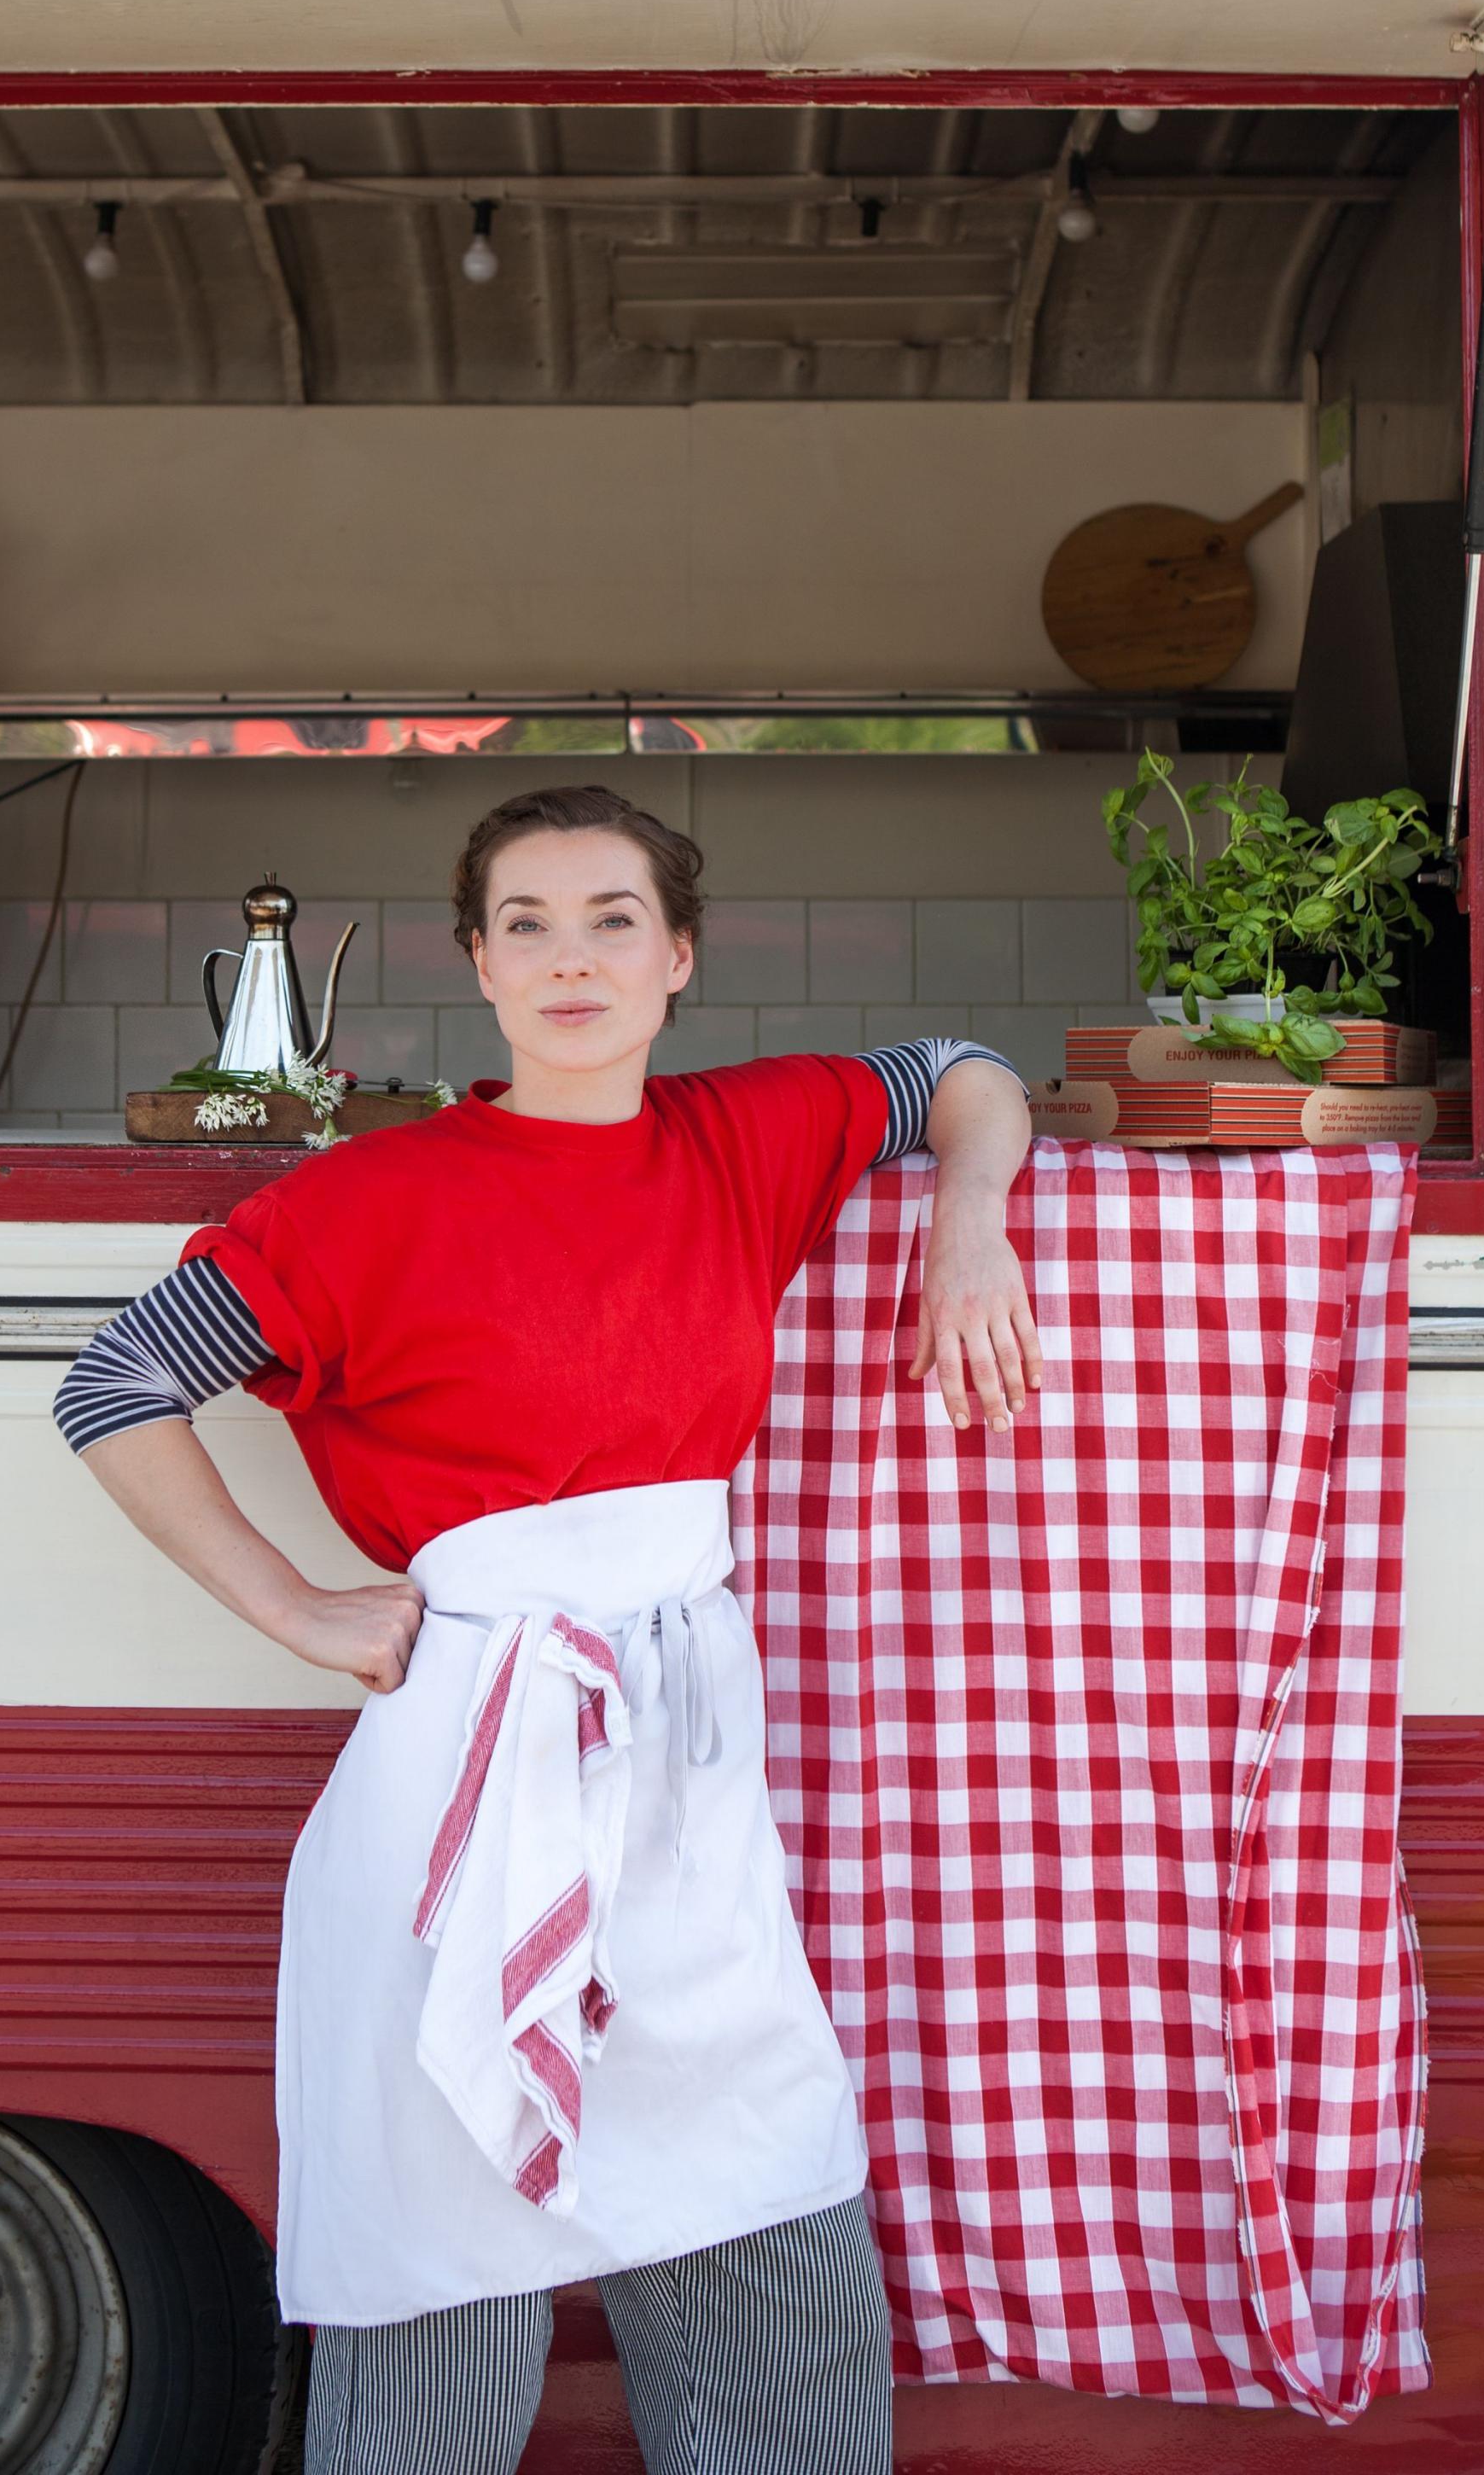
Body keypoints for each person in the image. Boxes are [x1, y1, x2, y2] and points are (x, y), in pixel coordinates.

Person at [55, 785, 1040, 2475]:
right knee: (452, 2251)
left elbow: (962, 1071)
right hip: (469, 1772)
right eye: (526, 923)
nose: (569, 956)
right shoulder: (364, 1200)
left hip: (686, 1768)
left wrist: (969, 1222)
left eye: (608, 920)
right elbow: (119, 1386)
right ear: (478, 968)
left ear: (677, 958)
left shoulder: (750, 1135)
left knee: (754, 2194)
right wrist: (294, 1607)